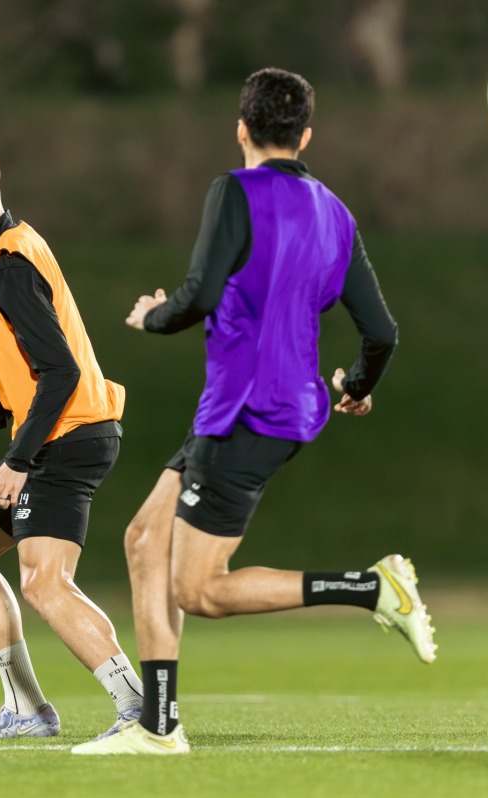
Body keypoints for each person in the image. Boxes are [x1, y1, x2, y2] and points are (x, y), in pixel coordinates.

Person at [71, 67, 436, 757]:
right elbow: (382, 331)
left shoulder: (233, 191)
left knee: (200, 590)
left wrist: (153, 317)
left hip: (247, 413)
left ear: (241, 129)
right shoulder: (335, 211)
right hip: (269, 408)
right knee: (144, 540)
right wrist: (356, 384)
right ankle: (159, 724)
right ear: (305, 135)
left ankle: (370, 588)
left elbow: (197, 295)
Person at [0, 138, 142, 741]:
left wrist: (18, 460)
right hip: (49, 433)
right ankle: (27, 711)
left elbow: (61, 371)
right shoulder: (5, 250)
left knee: (45, 584)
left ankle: (142, 712)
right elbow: (26, 364)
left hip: (67, 438)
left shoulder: (11, 265)